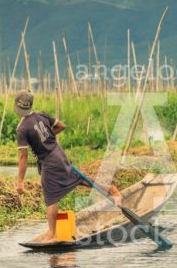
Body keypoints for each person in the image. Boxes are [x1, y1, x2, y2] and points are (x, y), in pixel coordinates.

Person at [14, 90, 121, 243]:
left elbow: (23, 156)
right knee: (77, 179)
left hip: (49, 162)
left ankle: (52, 234)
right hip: (59, 154)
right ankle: (110, 189)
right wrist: (47, 137)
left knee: (50, 198)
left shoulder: (22, 128)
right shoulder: (41, 115)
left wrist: (20, 181)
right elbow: (61, 126)